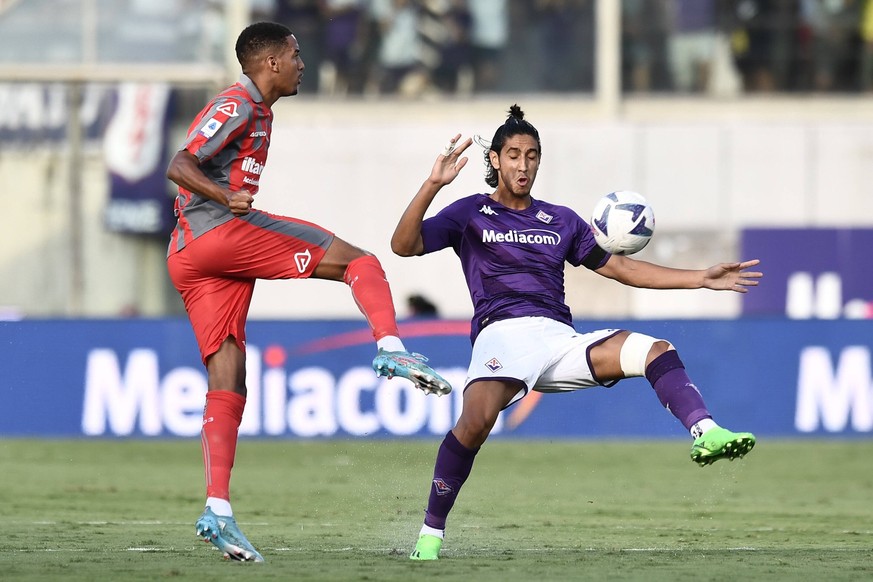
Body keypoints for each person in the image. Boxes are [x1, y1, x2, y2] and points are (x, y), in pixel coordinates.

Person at [391, 105, 761, 561]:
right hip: (501, 334)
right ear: (494, 160)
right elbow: (402, 246)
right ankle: (431, 534)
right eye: (512, 154)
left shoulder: (561, 220)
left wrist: (700, 276)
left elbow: (622, 267)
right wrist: (433, 184)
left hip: (559, 340)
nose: (522, 165)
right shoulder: (470, 212)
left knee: (654, 349)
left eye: (531, 155)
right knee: (475, 424)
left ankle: (705, 430)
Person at [165, 21, 452, 563]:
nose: (303, 64)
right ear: (270, 62)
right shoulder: (238, 104)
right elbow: (180, 164)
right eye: (295, 55)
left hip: (192, 260)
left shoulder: (260, 112)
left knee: (229, 376)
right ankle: (391, 349)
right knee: (360, 262)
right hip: (216, 236)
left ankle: (218, 511)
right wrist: (225, 196)